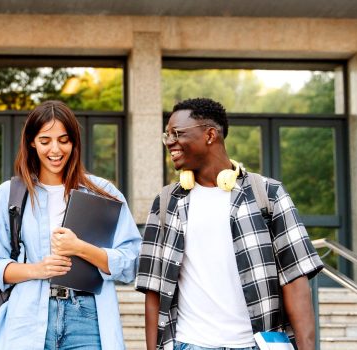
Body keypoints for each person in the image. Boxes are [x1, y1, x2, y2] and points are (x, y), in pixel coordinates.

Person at [136, 97, 324, 350]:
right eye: (167, 135)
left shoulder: (267, 194)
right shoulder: (167, 201)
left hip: (256, 345)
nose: (170, 142)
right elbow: (154, 289)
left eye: (177, 133)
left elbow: (295, 280)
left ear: (210, 135)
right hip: (188, 344)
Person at [0, 100, 141, 350]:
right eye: (45, 141)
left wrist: (80, 248)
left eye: (63, 140)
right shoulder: (9, 194)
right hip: (27, 319)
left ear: (74, 142)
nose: (55, 149)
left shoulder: (103, 193)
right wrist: (38, 269)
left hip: (87, 318)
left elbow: (131, 262)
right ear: (32, 142)